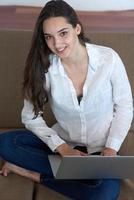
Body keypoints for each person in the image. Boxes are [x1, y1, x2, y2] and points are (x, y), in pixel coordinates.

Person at [0, 0, 133, 199]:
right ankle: (79, 173)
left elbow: (124, 106)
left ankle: (33, 173)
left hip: (101, 150)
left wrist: (111, 148)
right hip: (62, 145)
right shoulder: (45, 69)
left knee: (104, 193)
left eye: (63, 33)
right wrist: (62, 149)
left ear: (77, 28)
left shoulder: (108, 59)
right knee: (6, 143)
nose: (57, 44)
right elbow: (30, 117)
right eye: (49, 37)